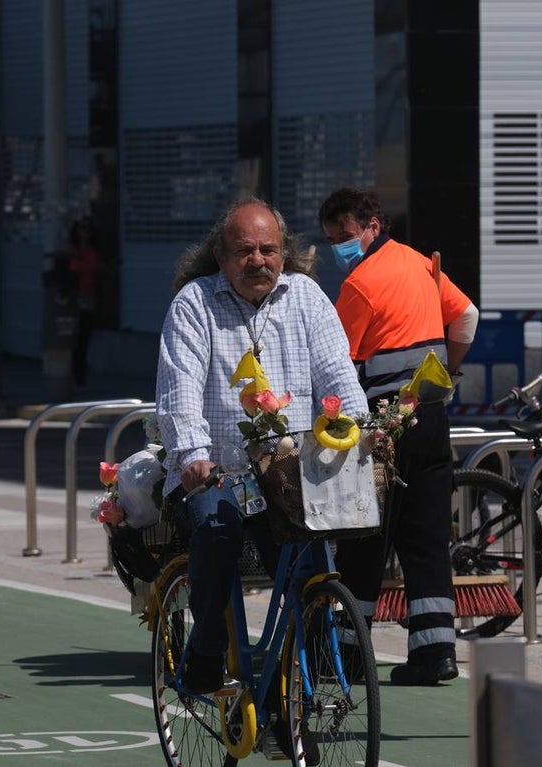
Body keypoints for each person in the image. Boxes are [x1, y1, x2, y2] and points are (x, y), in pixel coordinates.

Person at [155, 198, 368, 696]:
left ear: (284, 252)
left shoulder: (309, 298)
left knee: (311, 566)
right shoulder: (194, 303)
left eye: (268, 249)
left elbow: (338, 374)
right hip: (220, 471)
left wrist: (362, 430)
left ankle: (290, 687)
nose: (258, 260)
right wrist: (191, 457)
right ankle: (206, 651)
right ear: (222, 257)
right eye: (244, 250)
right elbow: (179, 390)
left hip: (289, 473)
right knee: (216, 528)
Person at [318, 187, 479, 686]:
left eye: (344, 236)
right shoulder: (418, 264)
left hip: (384, 423)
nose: (339, 248)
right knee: (427, 538)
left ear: (371, 225)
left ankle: (346, 658)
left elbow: (335, 362)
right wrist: (445, 372)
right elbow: (467, 316)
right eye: (331, 240)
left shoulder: (360, 284)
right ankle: (436, 654)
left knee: (364, 537)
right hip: (430, 415)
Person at [67, 217, 100, 387]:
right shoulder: (73, 249)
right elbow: (73, 267)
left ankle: (80, 371)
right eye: (81, 229)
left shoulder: (91, 250)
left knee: (84, 336)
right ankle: (73, 370)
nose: (84, 233)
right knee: (70, 335)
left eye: (87, 229)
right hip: (74, 297)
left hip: (88, 296)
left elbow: (92, 266)